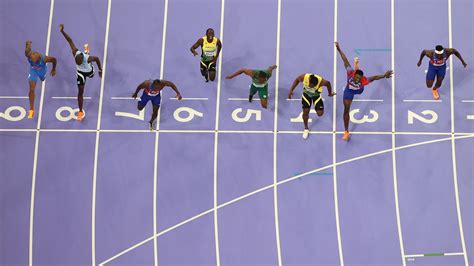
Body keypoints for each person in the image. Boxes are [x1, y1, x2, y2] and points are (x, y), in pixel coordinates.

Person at [335, 42, 393, 141]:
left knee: (361, 82)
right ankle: (346, 131)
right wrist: (339, 49)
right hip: (349, 91)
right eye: (356, 77)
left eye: (359, 78)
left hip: (359, 90)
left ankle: (357, 65)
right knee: (346, 109)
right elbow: (344, 60)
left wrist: (384, 75)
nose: (357, 79)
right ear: (353, 75)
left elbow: (374, 77)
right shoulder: (350, 72)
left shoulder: (363, 80)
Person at [60, 24, 102, 121]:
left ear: (82, 59)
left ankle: (87, 51)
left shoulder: (88, 59)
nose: (77, 62)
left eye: (79, 62)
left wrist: (100, 69)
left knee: (92, 74)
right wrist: (62, 31)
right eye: (76, 62)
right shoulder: (75, 52)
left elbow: (97, 59)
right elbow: (69, 41)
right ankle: (80, 111)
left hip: (89, 71)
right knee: (80, 92)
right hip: (80, 73)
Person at [288, 73, 335, 139]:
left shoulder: (322, 81)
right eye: (310, 85)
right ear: (309, 80)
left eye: (313, 86)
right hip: (306, 95)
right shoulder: (304, 77)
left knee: (320, 114)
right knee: (305, 112)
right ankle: (306, 129)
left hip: (316, 96)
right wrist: (291, 90)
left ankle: (316, 105)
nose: (311, 87)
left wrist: (330, 93)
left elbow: (328, 84)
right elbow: (297, 80)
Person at [25, 41, 57, 119]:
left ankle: (42, 78)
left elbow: (54, 60)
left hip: (42, 71)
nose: (31, 59)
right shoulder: (28, 55)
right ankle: (31, 109)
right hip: (33, 71)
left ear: (38, 59)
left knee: (42, 79)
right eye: (31, 57)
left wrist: (53, 69)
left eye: (33, 59)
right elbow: (27, 45)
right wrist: (28, 43)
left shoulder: (45, 59)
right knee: (32, 89)